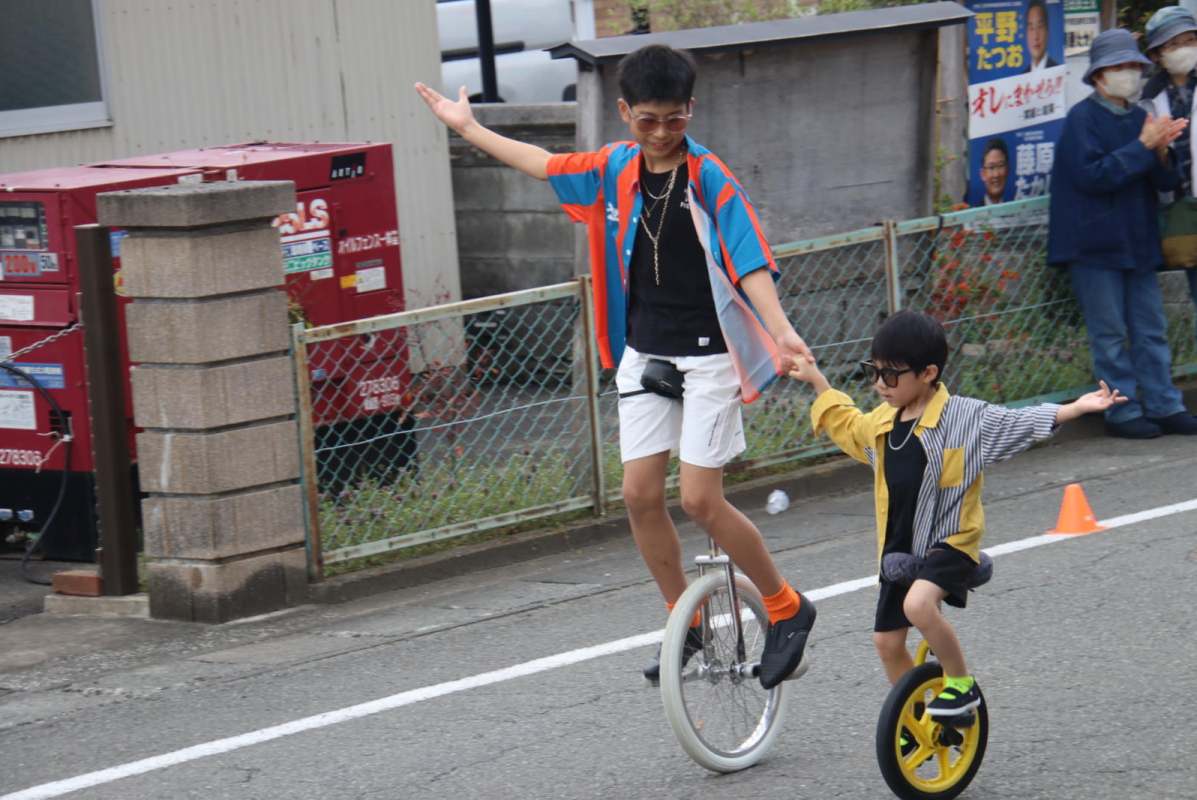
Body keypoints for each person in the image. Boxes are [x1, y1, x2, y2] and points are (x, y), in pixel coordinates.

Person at [414, 44, 816, 689]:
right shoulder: (613, 168)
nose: (660, 134)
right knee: (637, 495)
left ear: (690, 110)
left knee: (700, 500)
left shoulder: (710, 178)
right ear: (625, 112)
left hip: (712, 357)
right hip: (646, 353)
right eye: (647, 119)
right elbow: (543, 163)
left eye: (674, 120)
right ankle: (685, 623)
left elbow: (749, 262)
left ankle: (786, 607)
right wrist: (469, 129)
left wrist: (782, 331)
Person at [787, 310, 1125, 728]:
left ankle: (960, 684)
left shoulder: (966, 418)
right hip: (900, 550)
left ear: (928, 373)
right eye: (873, 372)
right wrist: (818, 381)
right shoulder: (882, 423)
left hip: (950, 544)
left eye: (891, 375)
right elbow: (848, 425)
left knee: (918, 604)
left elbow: (1017, 422)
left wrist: (1075, 408)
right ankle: (916, 723)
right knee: (886, 644)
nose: (879, 384)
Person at [1047, 28, 1197, 438]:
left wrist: (1161, 149)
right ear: (1097, 75)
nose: (1129, 74)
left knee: (1151, 328)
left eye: (1134, 66)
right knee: (1109, 334)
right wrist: (1143, 145)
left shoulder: (1139, 118)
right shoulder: (1082, 119)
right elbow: (1094, 176)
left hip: (1138, 240)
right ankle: (1122, 411)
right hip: (1093, 245)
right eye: (1119, 67)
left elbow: (1165, 181)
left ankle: (1166, 405)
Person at [1140, 5, 1197, 340]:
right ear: (1158, 54)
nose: (1185, 48)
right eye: (1173, 43)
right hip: (1177, 213)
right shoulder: (1145, 97)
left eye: (1190, 39)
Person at [1023, 0, 1060, 73]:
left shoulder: (1057, 71)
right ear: (1026, 34)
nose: (1035, 37)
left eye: (1039, 27)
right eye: (1031, 28)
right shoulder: (1022, 78)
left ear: (1047, 30)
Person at [980, 138, 1010, 205]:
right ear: (982, 174)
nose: (996, 174)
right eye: (991, 167)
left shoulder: (1016, 212)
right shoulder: (973, 213)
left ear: (1007, 170)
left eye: (1000, 165)